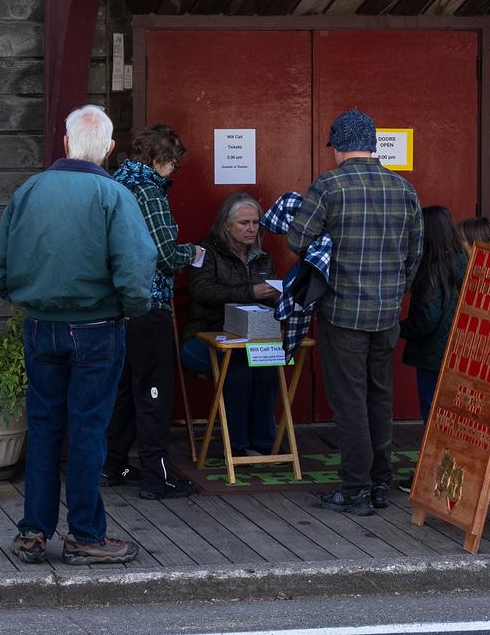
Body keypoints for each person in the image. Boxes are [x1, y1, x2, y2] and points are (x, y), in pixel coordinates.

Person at [0, 105, 154, 566]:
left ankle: (34, 532)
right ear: (110, 150)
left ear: (64, 144)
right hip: (98, 329)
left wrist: (26, 299)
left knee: (42, 429)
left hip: (40, 325)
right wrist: (128, 310)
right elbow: (138, 271)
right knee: (87, 431)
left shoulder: (30, 190)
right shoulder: (113, 195)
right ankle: (84, 535)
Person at [285, 108, 423, 518]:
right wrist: (395, 291)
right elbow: (415, 255)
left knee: (349, 402)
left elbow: (297, 240)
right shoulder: (404, 188)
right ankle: (381, 481)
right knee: (380, 397)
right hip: (386, 313)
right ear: (372, 144)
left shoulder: (329, 185)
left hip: (342, 312)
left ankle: (356, 488)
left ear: (339, 148)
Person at [103, 123, 203, 501]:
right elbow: (162, 253)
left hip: (118, 306)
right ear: (160, 159)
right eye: (174, 164)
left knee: (127, 389)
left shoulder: (116, 185)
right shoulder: (149, 192)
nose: (174, 171)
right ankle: (156, 475)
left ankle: (112, 463)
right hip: (148, 304)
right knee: (154, 391)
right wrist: (190, 254)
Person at [181, 192, 283, 456]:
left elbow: (269, 297)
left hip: (250, 337)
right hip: (203, 336)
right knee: (237, 372)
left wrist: (279, 296)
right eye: (244, 223)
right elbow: (201, 289)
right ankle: (237, 446)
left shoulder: (262, 256)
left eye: (255, 223)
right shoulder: (204, 251)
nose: (252, 229)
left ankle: (262, 444)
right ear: (226, 225)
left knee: (267, 369)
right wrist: (252, 292)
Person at [401, 205, 468, 419]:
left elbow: (427, 319)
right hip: (461, 350)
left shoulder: (430, 269)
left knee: (432, 411)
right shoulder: (464, 261)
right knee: (454, 412)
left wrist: (399, 328)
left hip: (434, 354)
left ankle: (436, 453)